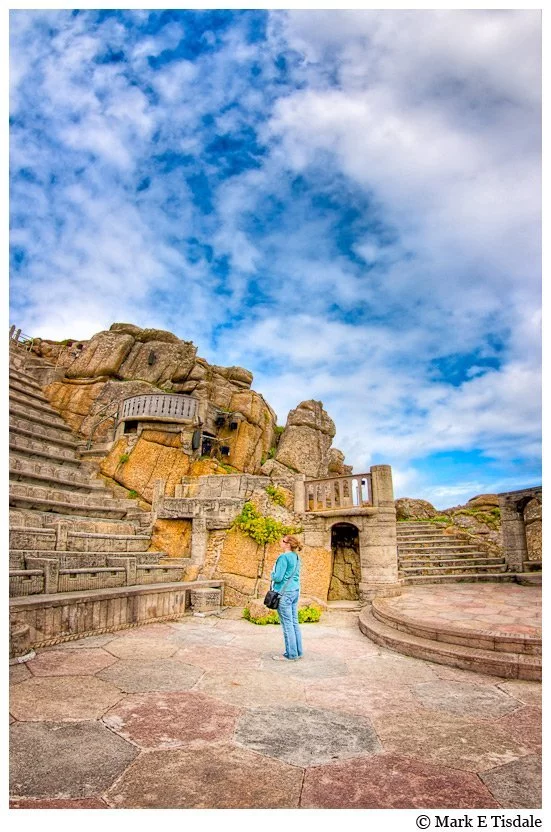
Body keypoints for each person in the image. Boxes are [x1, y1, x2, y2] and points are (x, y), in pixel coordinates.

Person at [271, 535, 303, 661]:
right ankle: (298, 651)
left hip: (284, 593)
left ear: (288, 544)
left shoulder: (283, 557)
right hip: (295, 591)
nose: (281, 542)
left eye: (283, 541)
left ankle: (291, 654)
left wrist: (271, 573)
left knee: (287, 624)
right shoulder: (296, 557)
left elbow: (278, 577)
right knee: (294, 622)